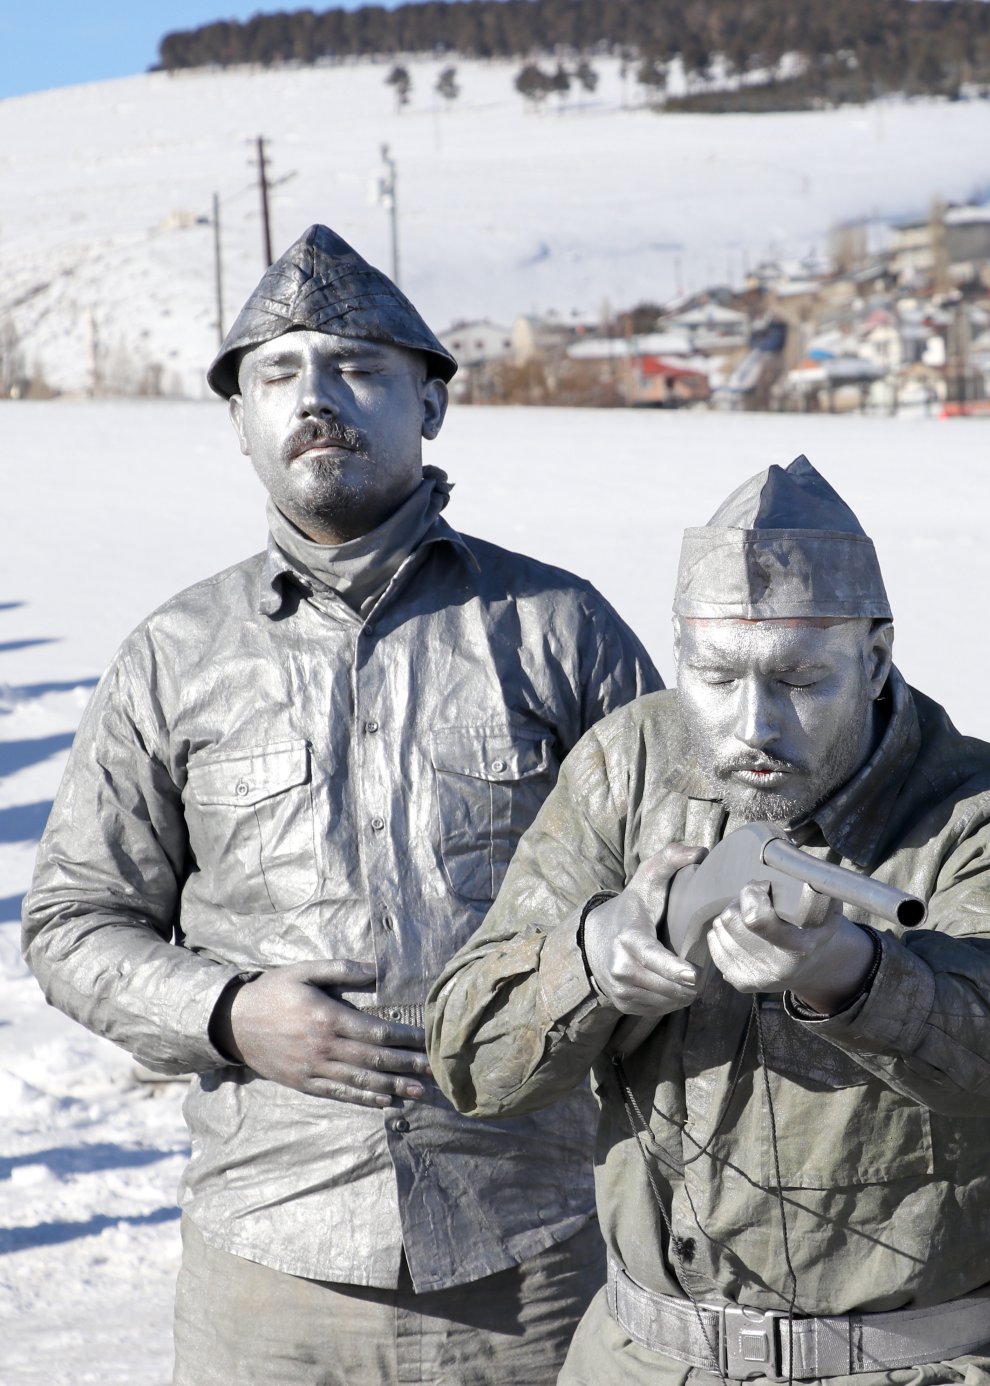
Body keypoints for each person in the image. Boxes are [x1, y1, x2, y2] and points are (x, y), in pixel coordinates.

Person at [24, 225, 662, 1385]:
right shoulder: (174, 656)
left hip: (538, 1255)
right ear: (239, 423)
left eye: (358, 368)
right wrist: (228, 1012)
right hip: (267, 1273)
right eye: (277, 374)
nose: (314, 398)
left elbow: (675, 886)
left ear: (430, 402)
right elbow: (73, 923)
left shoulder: (559, 629)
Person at [427, 456, 990, 1386]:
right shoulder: (626, 768)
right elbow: (470, 1055)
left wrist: (850, 975)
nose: (753, 724)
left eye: (799, 679)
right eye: (714, 677)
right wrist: (592, 959)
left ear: (873, 659)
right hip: (641, 1360)